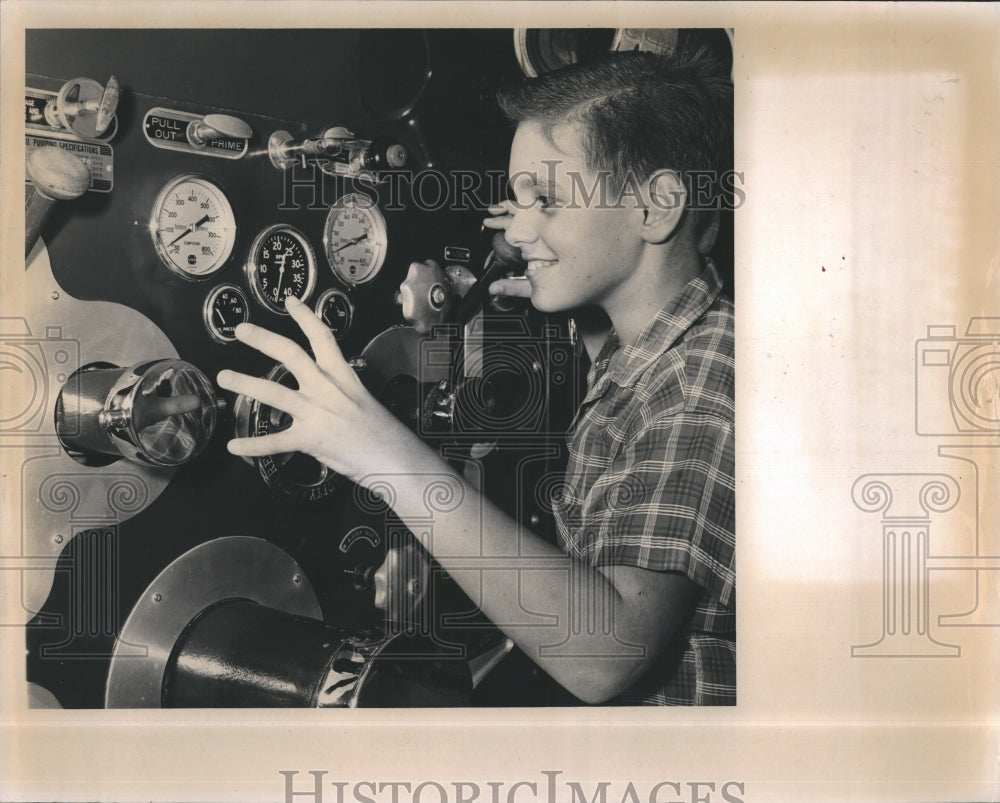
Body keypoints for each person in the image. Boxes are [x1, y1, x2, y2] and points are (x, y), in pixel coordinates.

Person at [217, 47, 734, 705]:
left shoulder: (702, 386)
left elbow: (608, 653)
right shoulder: (659, 344)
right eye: (516, 201)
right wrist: (554, 257)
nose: (519, 226)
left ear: (658, 207)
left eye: (544, 197)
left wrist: (379, 453)